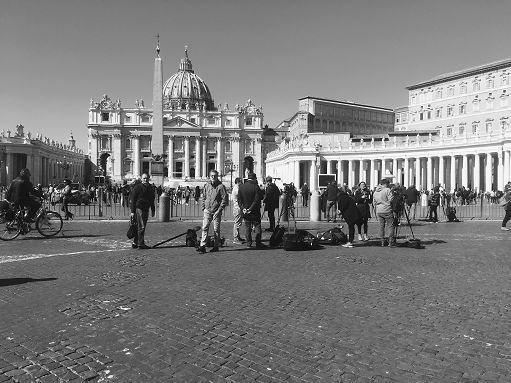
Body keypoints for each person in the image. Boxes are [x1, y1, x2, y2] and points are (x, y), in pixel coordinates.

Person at [197, 169, 228, 254]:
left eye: (215, 176)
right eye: (212, 176)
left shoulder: (221, 186)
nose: (213, 177)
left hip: (216, 211)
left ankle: (216, 246)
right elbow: (204, 196)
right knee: (205, 227)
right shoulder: (206, 185)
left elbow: (224, 200)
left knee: (216, 229)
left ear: (217, 176)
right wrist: (203, 207)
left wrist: (219, 210)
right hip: (207, 210)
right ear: (209, 176)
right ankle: (202, 245)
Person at [238, 173, 265, 249]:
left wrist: (243, 208)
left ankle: (249, 243)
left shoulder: (241, 186)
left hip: (245, 211)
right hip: (254, 211)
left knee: (247, 227)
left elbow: (239, 200)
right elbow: (257, 199)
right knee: (257, 226)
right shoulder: (256, 187)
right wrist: (250, 208)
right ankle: (258, 243)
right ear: (254, 178)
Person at [130, 173, 155, 250]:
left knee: (140, 225)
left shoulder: (151, 187)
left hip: (146, 208)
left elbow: (152, 199)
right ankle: (141, 243)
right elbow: (133, 199)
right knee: (141, 226)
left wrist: (153, 209)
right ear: (141, 179)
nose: (145, 180)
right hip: (139, 208)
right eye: (144, 178)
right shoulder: (138, 187)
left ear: (149, 178)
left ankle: (135, 242)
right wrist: (132, 211)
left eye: (147, 178)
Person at [373, 178, 396, 247]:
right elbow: (391, 199)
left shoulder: (375, 192)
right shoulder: (387, 190)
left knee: (381, 227)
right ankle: (390, 241)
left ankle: (382, 241)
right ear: (386, 184)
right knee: (390, 226)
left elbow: (374, 202)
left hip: (379, 210)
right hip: (387, 209)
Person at [231, 177, 245, 244]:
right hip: (237, 208)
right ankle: (235, 238)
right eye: (241, 182)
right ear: (238, 182)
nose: (242, 183)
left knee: (238, 223)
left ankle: (238, 236)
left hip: (237, 208)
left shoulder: (237, 188)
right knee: (237, 223)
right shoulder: (236, 189)